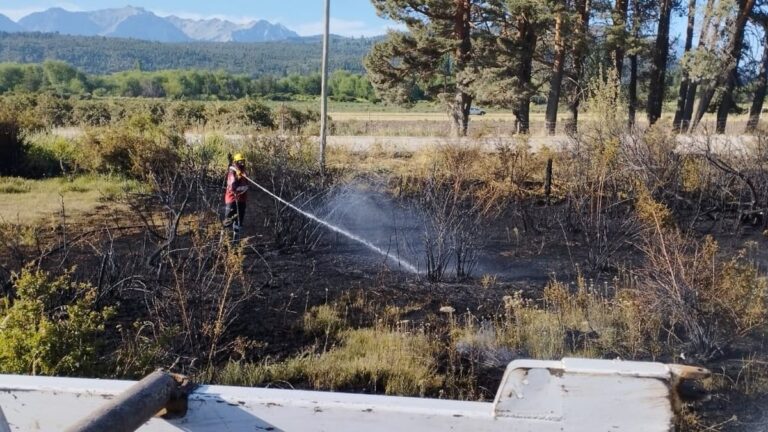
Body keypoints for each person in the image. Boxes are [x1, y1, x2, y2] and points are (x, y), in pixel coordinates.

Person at [223, 153, 249, 242]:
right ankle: (223, 243)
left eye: (243, 161)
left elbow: (247, 184)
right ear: (235, 162)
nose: (242, 163)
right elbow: (233, 187)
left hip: (242, 200)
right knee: (228, 221)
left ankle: (236, 243)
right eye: (240, 162)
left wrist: (245, 186)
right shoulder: (232, 172)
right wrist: (240, 181)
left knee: (239, 223)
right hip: (232, 200)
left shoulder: (244, 172)